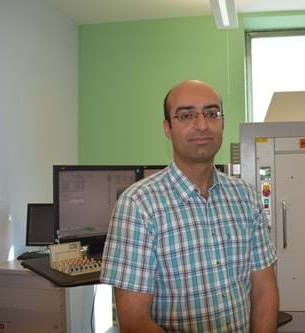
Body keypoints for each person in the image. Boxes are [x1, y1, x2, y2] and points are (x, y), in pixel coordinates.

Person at [100, 80, 278, 332]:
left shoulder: (247, 199)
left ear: (222, 122)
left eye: (212, 113)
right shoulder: (138, 206)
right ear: (168, 128)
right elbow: (134, 321)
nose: (202, 125)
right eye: (186, 115)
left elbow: (264, 292)